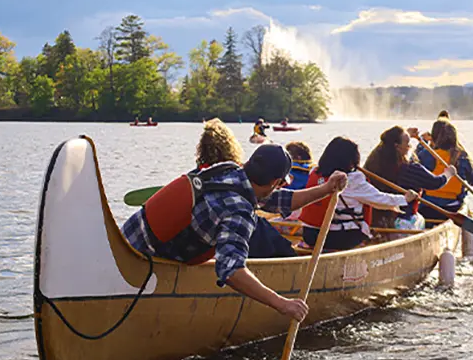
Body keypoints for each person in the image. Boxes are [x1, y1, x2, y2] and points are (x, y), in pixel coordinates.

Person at [121, 144, 347, 322]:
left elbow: (278, 200)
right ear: (276, 182)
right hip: (140, 265)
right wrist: (282, 304)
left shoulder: (229, 171)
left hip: (125, 245)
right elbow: (230, 270)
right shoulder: (239, 211)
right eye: (279, 184)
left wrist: (326, 189)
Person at [195, 118, 294, 259]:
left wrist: (325, 189)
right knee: (260, 227)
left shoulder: (210, 176)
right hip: (208, 256)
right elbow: (231, 269)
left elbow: (274, 200)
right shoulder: (240, 208)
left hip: (174, 250)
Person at [299, 137, 418, 251]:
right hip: (336, 238)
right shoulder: (350, 180)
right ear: (351, 160)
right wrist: (405, 199)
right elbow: (379, 200)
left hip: (310, 235)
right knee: (367, 232)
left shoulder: (314, 173)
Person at [363, 126, 457, 236]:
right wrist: (449, 173)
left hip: (376, 221)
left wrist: (405, 134)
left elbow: (384, 145)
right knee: (420, 219)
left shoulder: (373, 164)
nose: (410, 146)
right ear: (397, 147)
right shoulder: (411, 169)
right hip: (402, 222)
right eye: (407, 143)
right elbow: (436, 182)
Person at [414, 120, 473, 219]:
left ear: (433, 137)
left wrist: (422, 142)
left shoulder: (426, 153)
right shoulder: (462, 156)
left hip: (427, 207)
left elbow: (414, 162)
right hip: (453, 207)